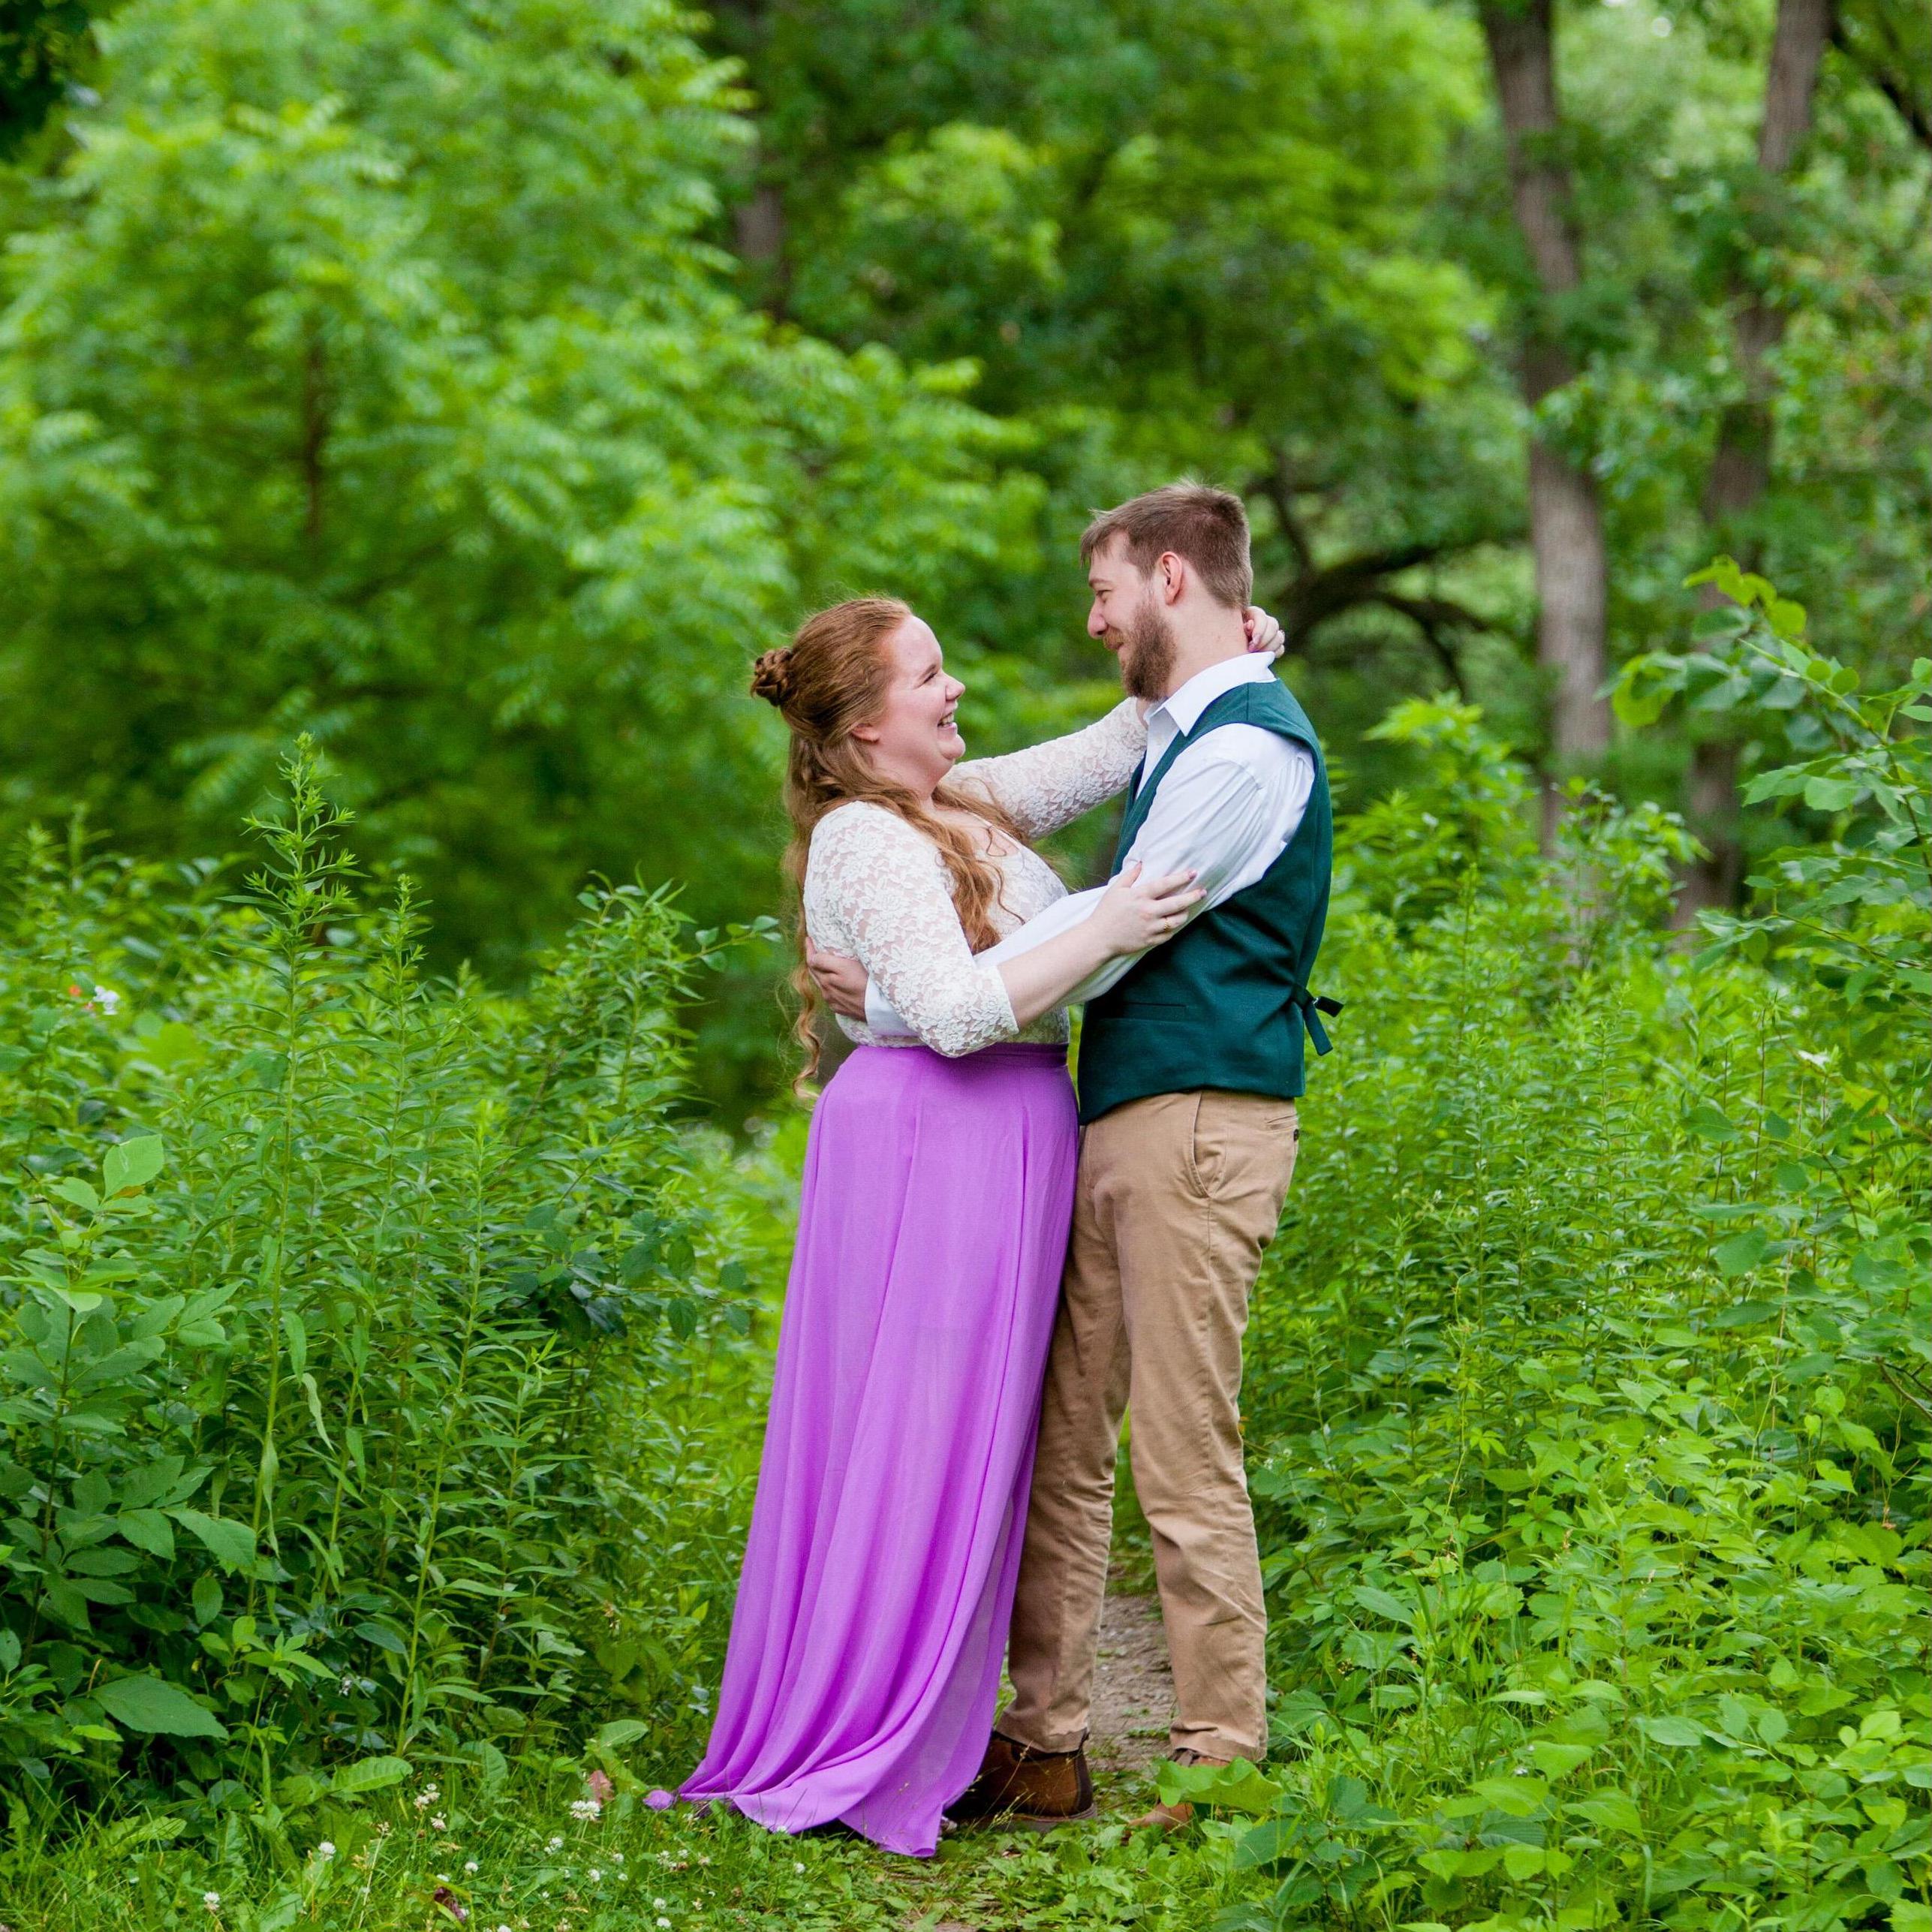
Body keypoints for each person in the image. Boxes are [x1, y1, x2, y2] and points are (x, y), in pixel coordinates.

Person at [680, 589, 1283, 1857]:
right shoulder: (862, 836)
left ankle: (962, 1717)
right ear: (861, 728)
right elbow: (957, 1015)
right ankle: (866, 1716)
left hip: (1002, 1134)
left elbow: (1115, 744)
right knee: (915, 1431)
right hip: (934, 1143)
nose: (953, 688)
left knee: (979, 1436)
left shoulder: (956, 799)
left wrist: (1226, 642)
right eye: (928, 675)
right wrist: (1107, 919)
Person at [809, 483, 1337, 1833]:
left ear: (1168, 578)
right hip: (1123, 1114)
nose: (1091, 620)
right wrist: (914, 988)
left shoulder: (1242, 756)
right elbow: (996, 793)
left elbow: (1113, 930)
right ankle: (1043, 1740)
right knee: (1064, 1444)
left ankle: (1219, 1760)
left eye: (1103, 592)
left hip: (1200, 1116)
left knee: (1180, 1442)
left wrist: (896, 999)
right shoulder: (1180, 731)